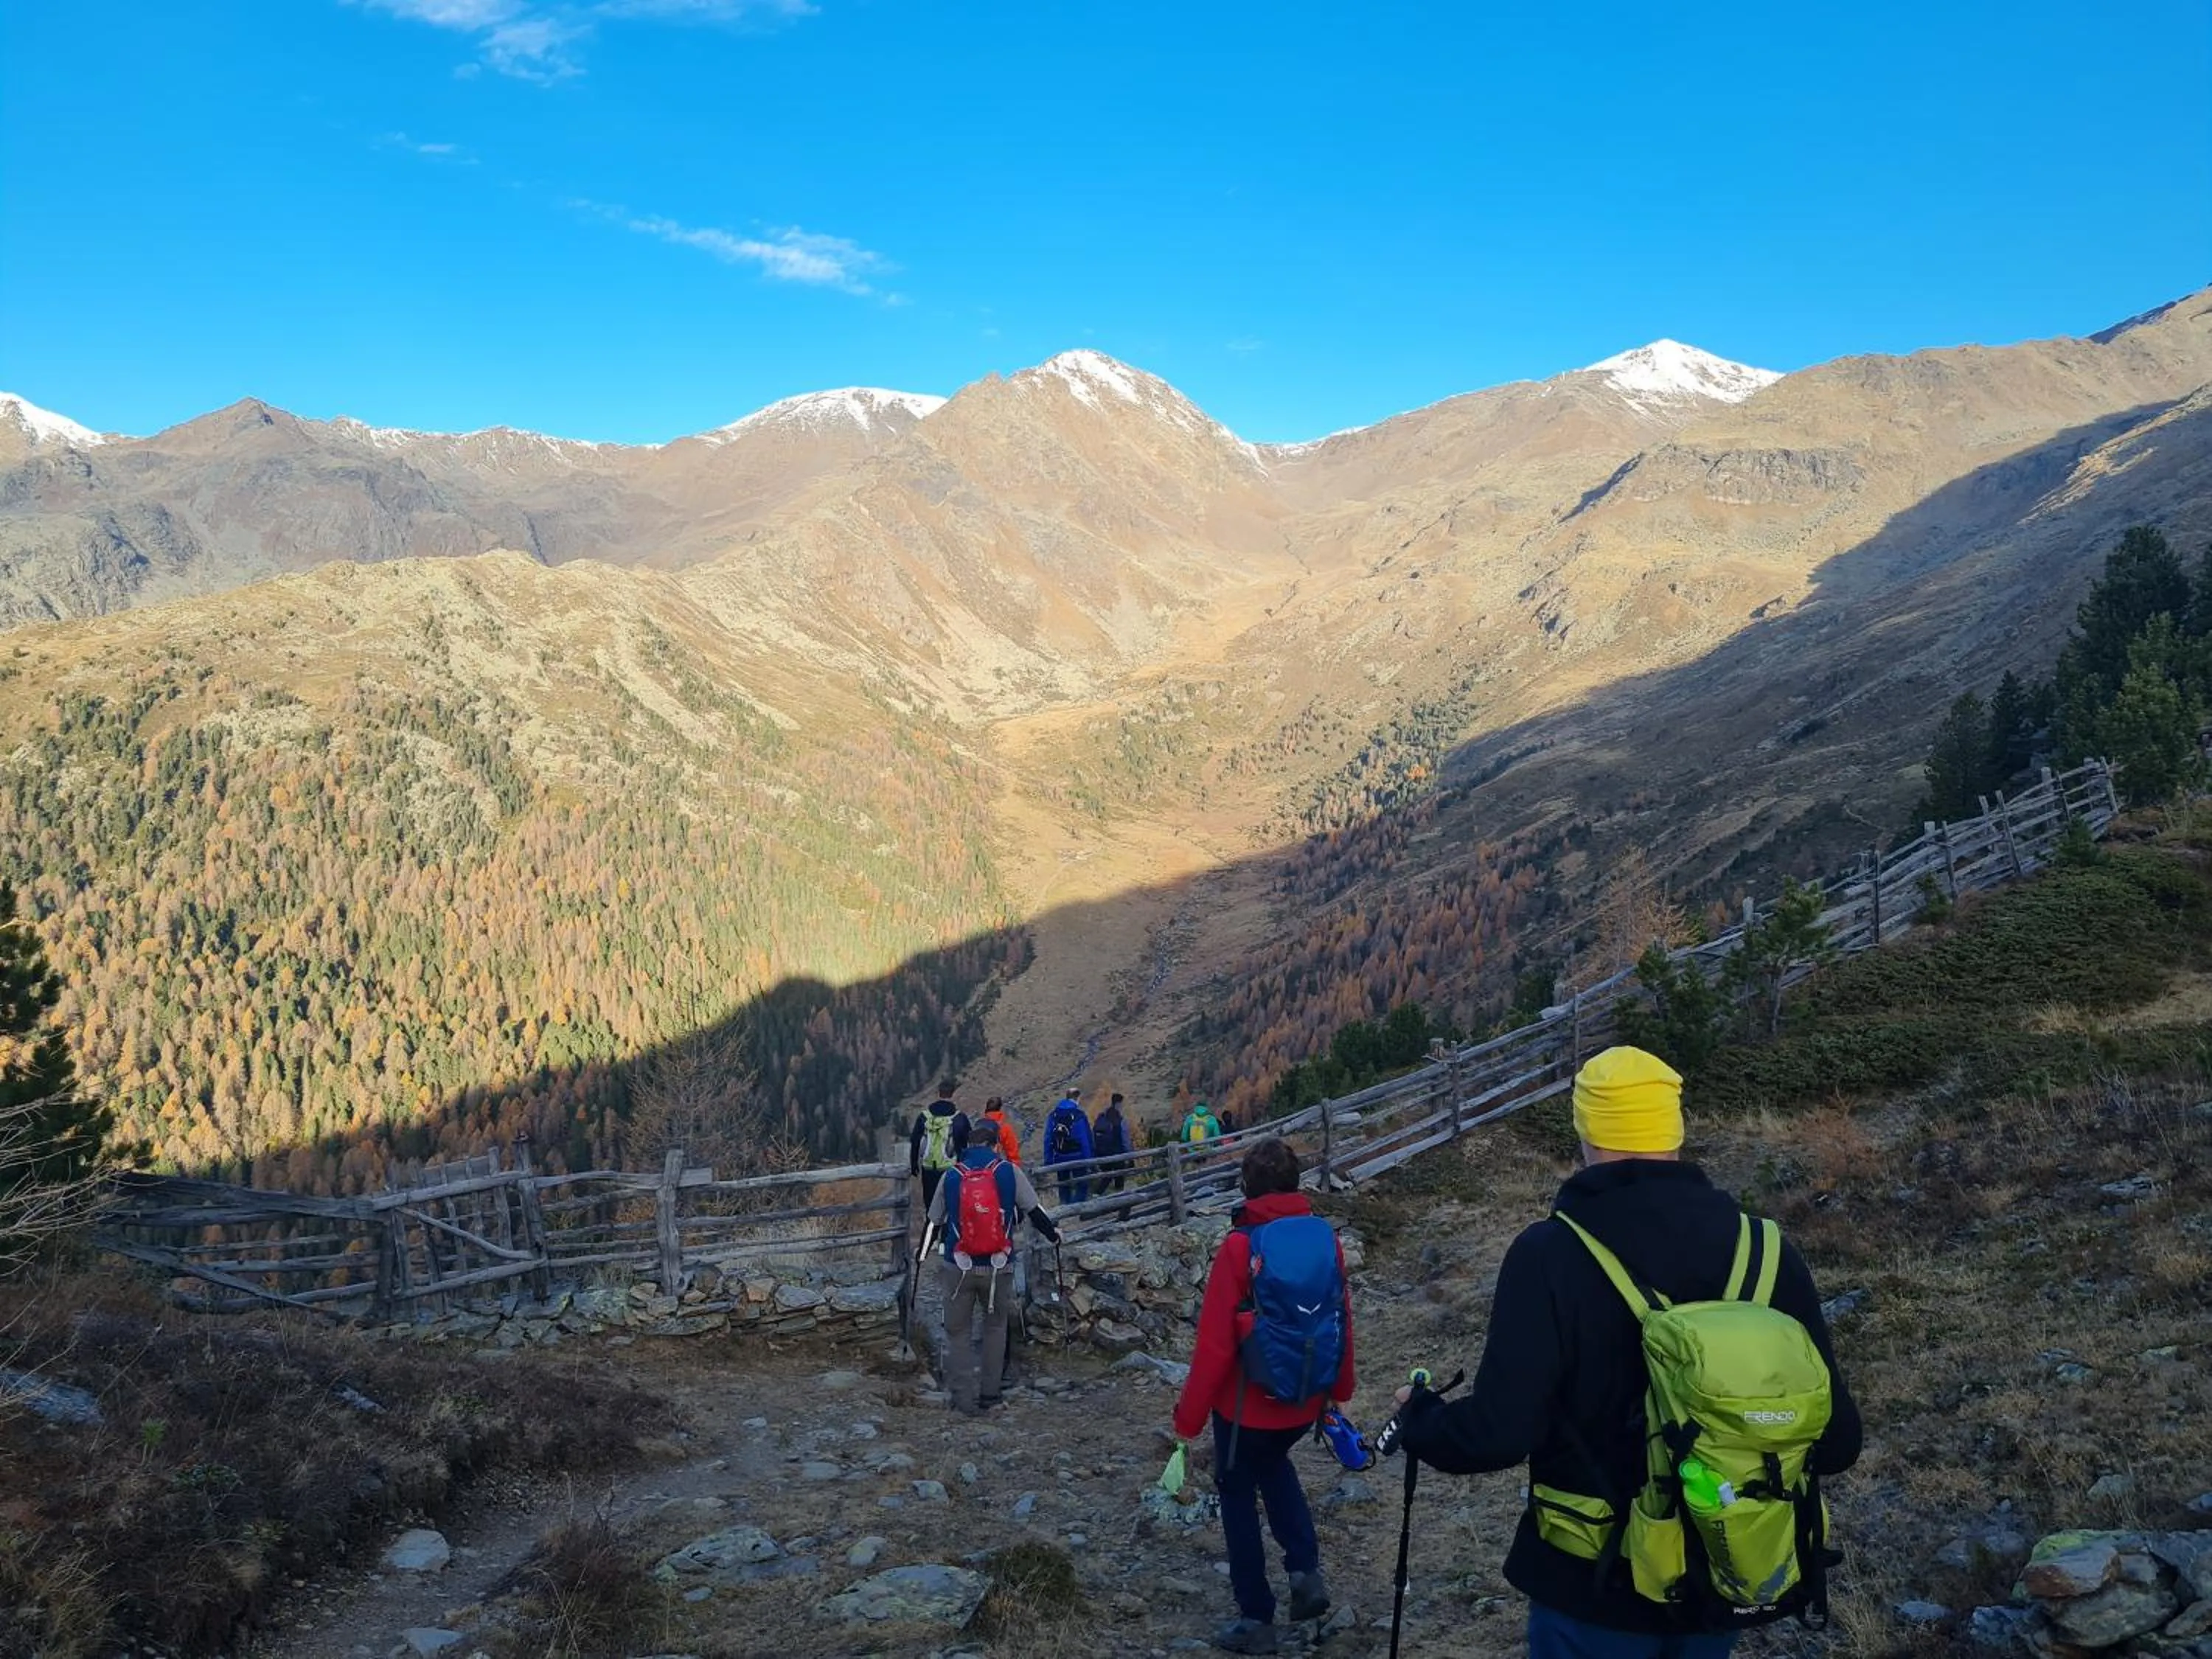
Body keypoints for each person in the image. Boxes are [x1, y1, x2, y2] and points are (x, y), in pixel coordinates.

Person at [1392, 1046, 1863, 1659]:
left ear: (1587, 1129)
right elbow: (1838, 1441)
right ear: (1674, 1127)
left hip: (1593, 1587)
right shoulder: (1766, 1250)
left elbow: (1498, 1434)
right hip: (1720, 1578)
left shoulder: (1549, 1255)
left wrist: (1419, 1419)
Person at [1172, 1138, 1356, 1655]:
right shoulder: (1325, 1239)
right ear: (1295, 1183)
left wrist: (1187, 1420)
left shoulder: (1239, 1249)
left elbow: (1213, 1346)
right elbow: (1340, 1316)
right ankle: (1305, 1573)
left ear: (1247, 1187)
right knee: (1275, 1467)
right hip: (1304, 1400)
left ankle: (1256, 1618)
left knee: (1235, 1491)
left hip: (1245, 1407)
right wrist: (1340, 1389)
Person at [927, 1121, 1060, 1416]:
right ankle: (990, 1395)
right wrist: (1054, 1236)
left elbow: (934, 1221)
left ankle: (962, 1399)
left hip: (958, 1266)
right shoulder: (1009, 1172)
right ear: (995, 1146)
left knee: (957, 1331)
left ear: (968, 1147)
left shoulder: (951, 1175)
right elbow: (1034, 1211)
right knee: (995, 1327)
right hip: (999, 1266)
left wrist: (922, 1254)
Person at [908, 1083, 968, 1211]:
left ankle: (931, 1229)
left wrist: (914, 1164)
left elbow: (915, 1141)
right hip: (952, 1168)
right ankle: (948, 1231)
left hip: (929, 1167)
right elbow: (967, 1143)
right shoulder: (959, 1118)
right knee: (951, 1205)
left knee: (931, 1207)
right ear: (954, 1095)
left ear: (938, 1094)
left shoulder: (924, 1117)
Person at [1043, 1088, 1094, 1204]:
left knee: (1063, 1184)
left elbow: (1048, 1138)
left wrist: (1048, 1159)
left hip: (1060, 1155)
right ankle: (1077, 1207)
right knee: (1082, 1183)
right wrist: (1090, 1159)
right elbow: (1085, 1139)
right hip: (1078, 1155)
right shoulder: (1079, 1115)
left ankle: (1065, 1206)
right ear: (1078, 1098)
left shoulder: (1054, 1115)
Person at [1091, 1091, 1132, 1194]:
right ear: (1119, 1104)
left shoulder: (1102, 1117)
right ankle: (1119, 1201)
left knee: (1106, 1177)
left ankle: (1097, 1196)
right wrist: (1129, 1154)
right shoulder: (1120, 1120)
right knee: (1119, 1178)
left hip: (1102, 1153)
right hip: (1117, 1153)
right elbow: (1125, 1140)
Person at [979, 1096, 1022, 1163]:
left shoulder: (979, 1126)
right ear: (1000, 1108)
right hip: (998, 1166)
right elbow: (1012, 1152)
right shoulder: (1005, 1128)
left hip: (979, 1166)